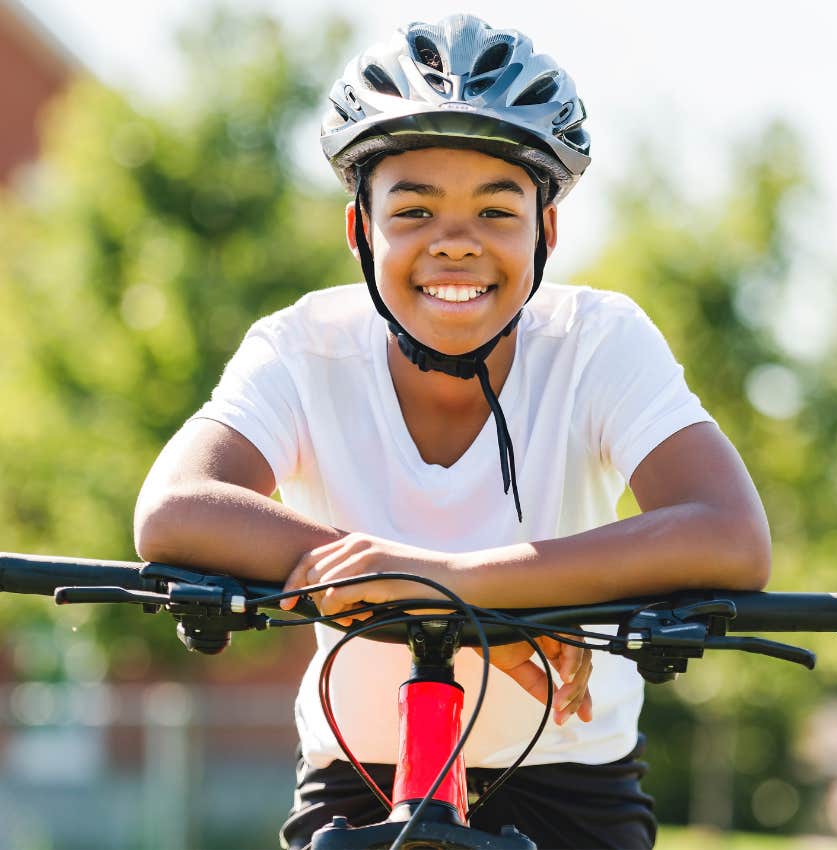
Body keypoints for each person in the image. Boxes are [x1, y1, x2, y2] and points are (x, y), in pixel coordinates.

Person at [134, 14, 771, 850]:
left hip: (570, 777)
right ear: (362, 230)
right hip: (357, 773)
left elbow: (730, 535)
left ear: (546, 233)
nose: (456, 244)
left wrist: (446, 580)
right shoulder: (302, 346)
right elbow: (176, 507)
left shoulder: (597, 342)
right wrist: (435, 594)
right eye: (415, 209)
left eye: (497, 210)